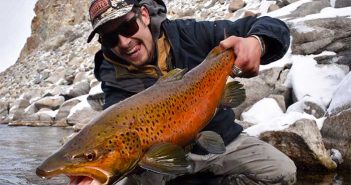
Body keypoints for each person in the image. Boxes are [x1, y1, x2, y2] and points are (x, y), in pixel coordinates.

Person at [87, 0, 297, 184]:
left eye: (127, 26)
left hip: (222, 139)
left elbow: (273, 26)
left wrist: (257, 42)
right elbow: (113, 128)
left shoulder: (189, 34)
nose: (124, 42)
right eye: (110, 38)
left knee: (282, 172)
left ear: (143, 15)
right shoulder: (112, 74)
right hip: (167, 158)